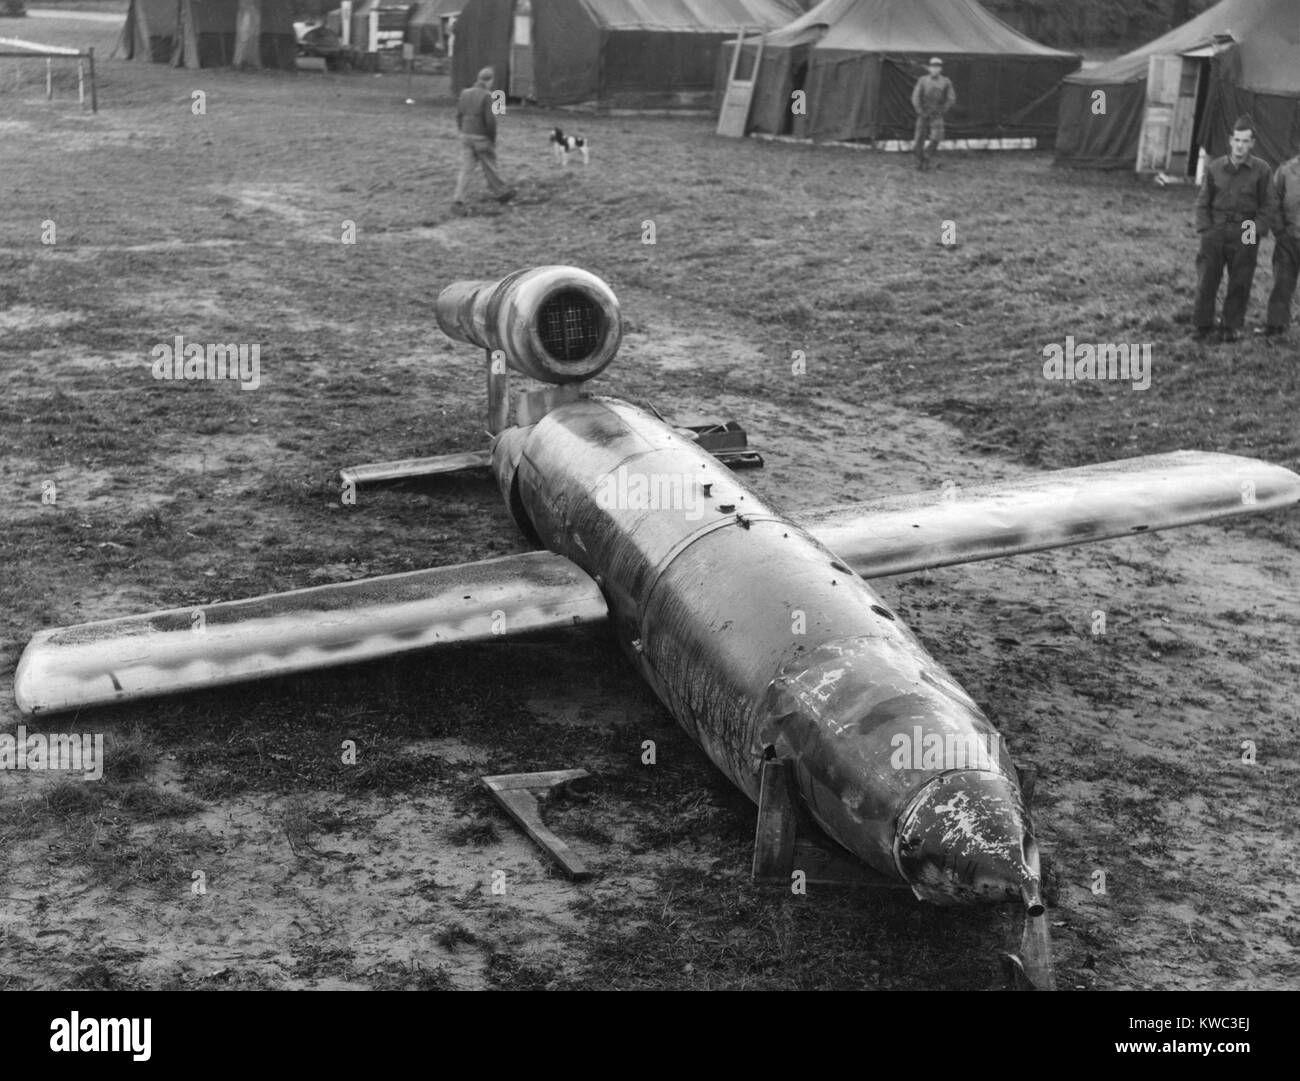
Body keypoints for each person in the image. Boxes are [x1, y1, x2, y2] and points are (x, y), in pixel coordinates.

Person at [1192, 115, 1274, 343]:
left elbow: (1269, 205)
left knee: (1241, 279)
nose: (1240, 145)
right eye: (1237, 140)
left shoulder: (1262, 170)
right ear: (1230, 140)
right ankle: (1202, 324)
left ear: (1252, 143)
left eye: (1245, 141)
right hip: (1216, 228)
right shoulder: (1215, 167)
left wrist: (1254, 230)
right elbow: (1202, 202)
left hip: (1245, 228)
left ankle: (1231, 326)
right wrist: (1206, 230)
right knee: (1207, 278)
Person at [453, 66, 515, 209]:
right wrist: (492, 139)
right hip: (481, 137)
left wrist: (462, 131)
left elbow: (458, 115)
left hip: (466, 136)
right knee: (490, 166)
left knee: (466, 169)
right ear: (490, 80)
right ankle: (500, 191)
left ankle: (458, 199)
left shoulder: (465, 93)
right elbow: (490, 120)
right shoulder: (487, 95)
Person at [1258, 147, 1300, 340]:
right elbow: (1273, 202)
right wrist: (1280, 231)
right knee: (1282, 283)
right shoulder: (1286, 171)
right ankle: (1276, 325)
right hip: (1288, 240)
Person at [911, 58, 955, 171]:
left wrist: (941, 110)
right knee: (919, 139)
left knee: (937, 137)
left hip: (937, 114)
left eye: (937, 67)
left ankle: (927, 157)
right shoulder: (923, 80)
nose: (935, 69)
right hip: (923, 113)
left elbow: (951, 98)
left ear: (940, 69)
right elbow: (915, 96)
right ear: (929, 68)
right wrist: (920, 110)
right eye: (933, 67)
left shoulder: (946, 81)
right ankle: (919, 161)